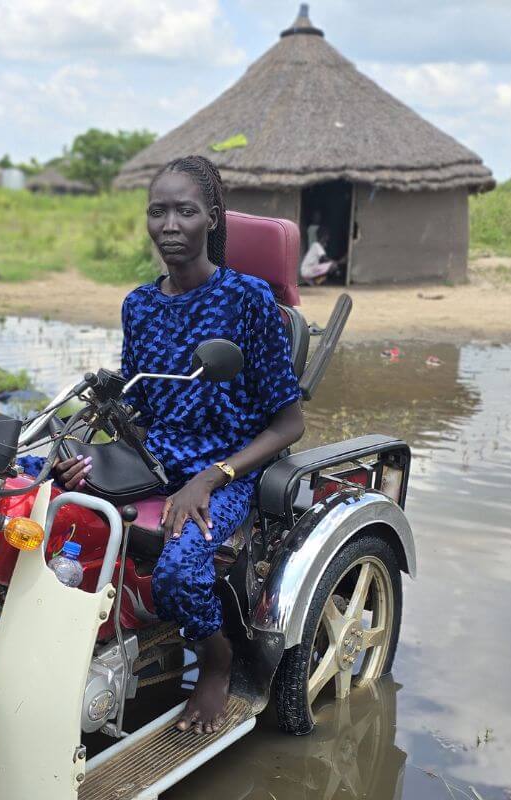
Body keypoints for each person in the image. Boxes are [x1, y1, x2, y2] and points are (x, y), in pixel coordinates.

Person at [34, 155, 305, 734]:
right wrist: (87, 451)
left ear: (211, 218)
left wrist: (210, 478)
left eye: (185, 210)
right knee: (30, 485)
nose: (170, 224)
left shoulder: (249, 301)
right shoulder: (139, 305)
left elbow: (288, 425)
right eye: (158, 211)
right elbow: (136, 406)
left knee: (180, 573)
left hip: (226, 468)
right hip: (152, 457)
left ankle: (216, 658)